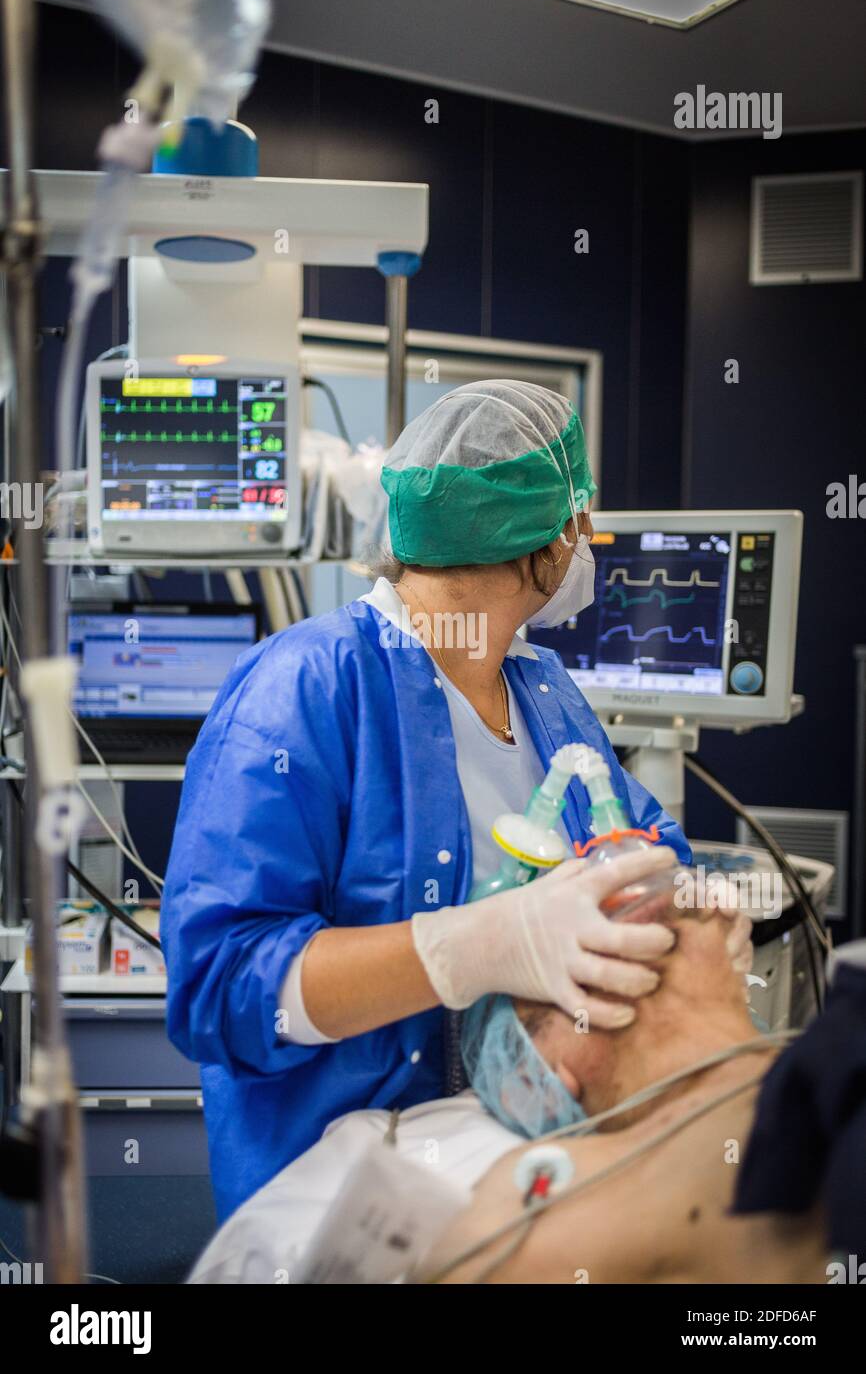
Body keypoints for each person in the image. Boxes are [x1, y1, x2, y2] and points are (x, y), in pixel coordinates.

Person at [162, 380, 693, 1221]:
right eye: (580, 517)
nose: (584, 541)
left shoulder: (545, 690)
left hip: (529, 1151)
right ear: (548, 539)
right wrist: (474, 946)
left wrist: (669, 888)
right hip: (342, 1189)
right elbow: (222, 990)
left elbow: (647, 839)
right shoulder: (306, 687)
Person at [185, 897, 788, 1287]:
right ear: (551, 1075)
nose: (617, 901)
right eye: (541, 973)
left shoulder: (839, 1041)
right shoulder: (542, 1226)